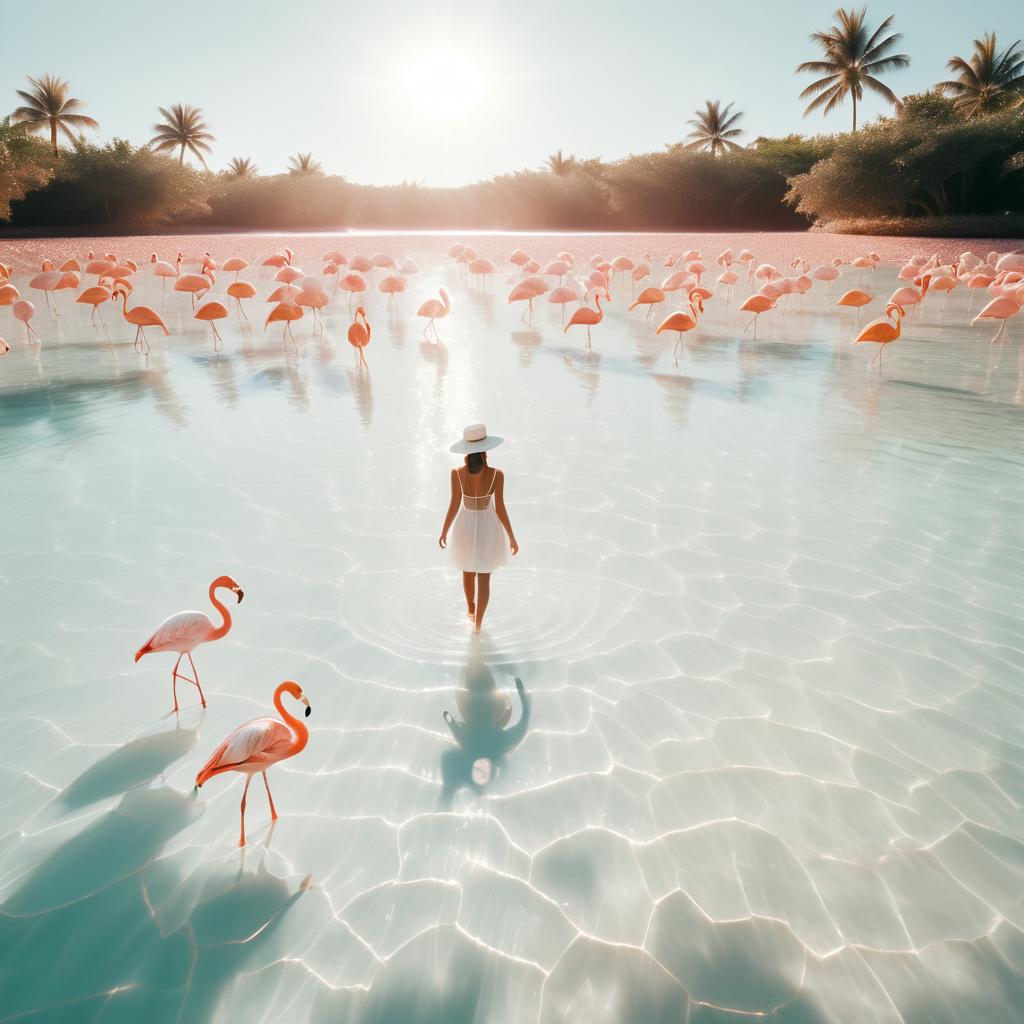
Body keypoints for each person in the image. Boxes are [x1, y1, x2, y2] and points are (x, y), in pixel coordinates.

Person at [438, 424, 518, 631]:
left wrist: (444, 530)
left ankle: (470, 610)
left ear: (465, 451)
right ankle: (478, 627)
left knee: (467, 570)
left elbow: (454, 504)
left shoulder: (456, 473)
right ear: (485, 450)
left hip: (464, 525)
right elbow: (500, 509)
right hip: (488, 527)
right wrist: (511, 537)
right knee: (484, 577)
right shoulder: (496, 475)